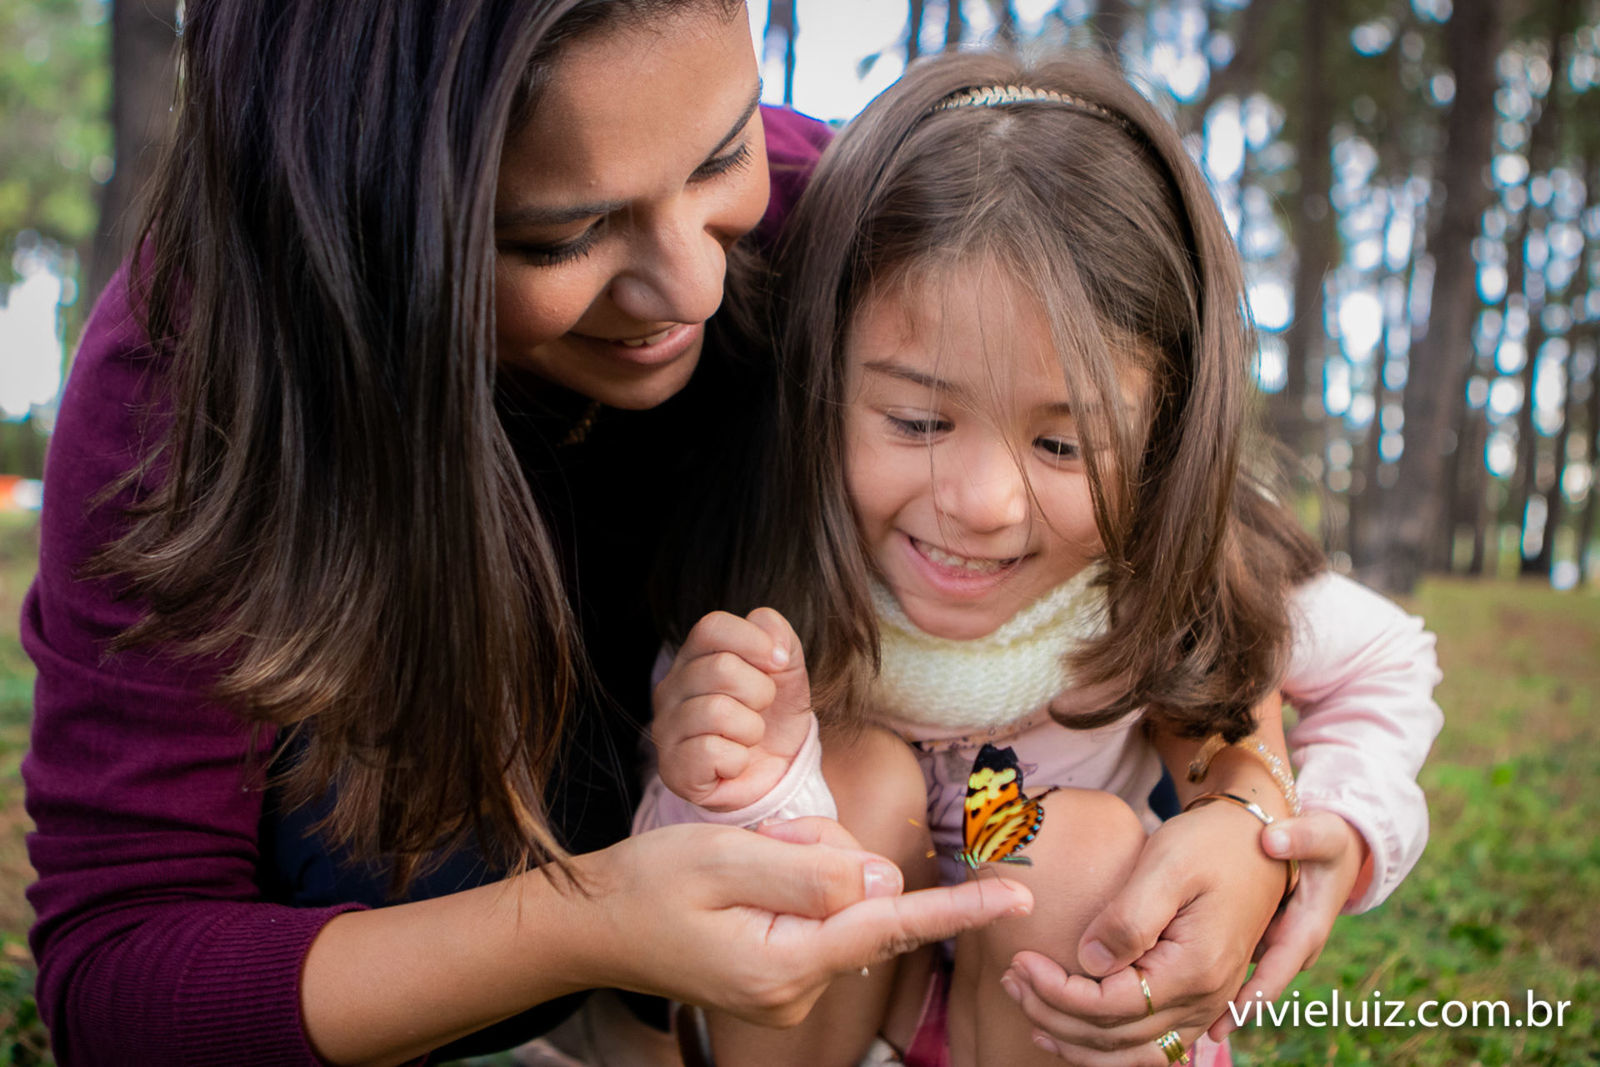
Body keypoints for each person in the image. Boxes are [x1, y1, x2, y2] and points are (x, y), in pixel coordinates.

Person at [19, 3, 1041, 1065]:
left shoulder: (820, 214)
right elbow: (119, 968)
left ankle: (637, 1018)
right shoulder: (186, 385)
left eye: (722, 153)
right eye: (563, 235)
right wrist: (586, 921)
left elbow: (1150, 521)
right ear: (348, 220)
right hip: (446, 875)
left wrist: (1236, 798)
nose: (693, 285)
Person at [639, 51, 1442, 1067]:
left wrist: (1325, 821)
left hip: (1045, 1005)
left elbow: (1386, 658)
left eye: (1062, 443)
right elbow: (678, 877)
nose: (979, 502)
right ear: (820, 376)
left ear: (1163, 433)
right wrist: (724, 768)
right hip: (823, 1017)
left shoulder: (1159, 566)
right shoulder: (769, 571)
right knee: (852, 770)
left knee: (1071, 848)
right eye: (919, 418)